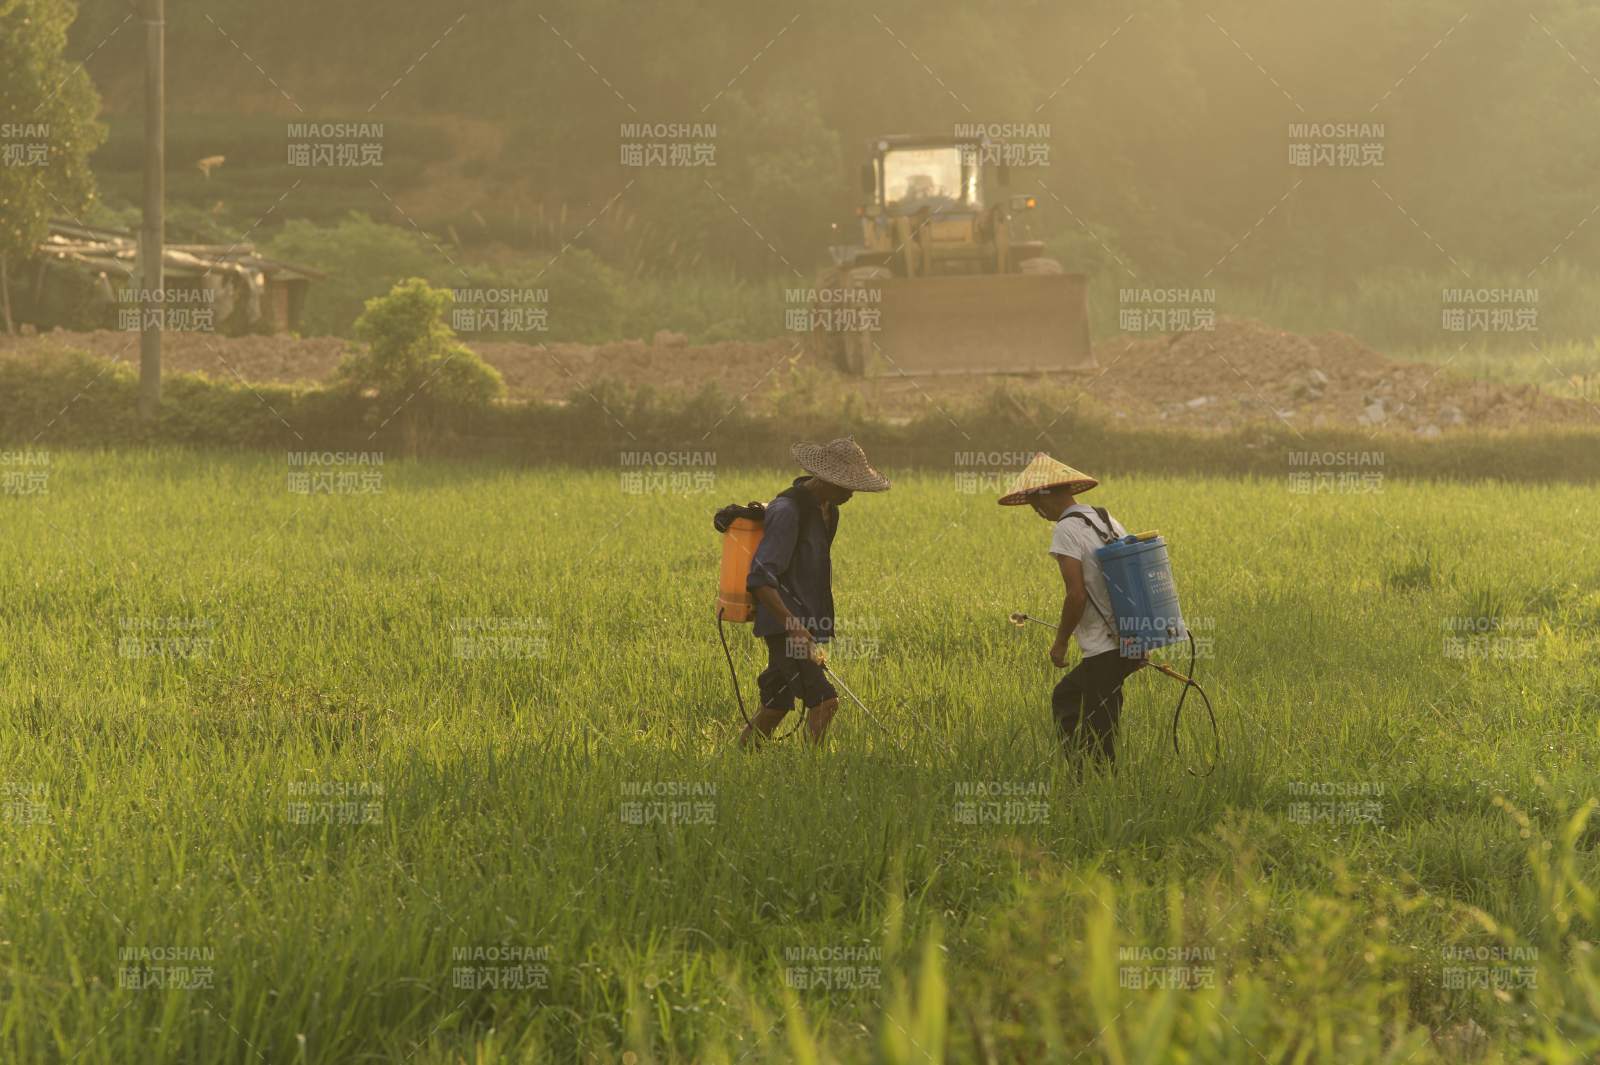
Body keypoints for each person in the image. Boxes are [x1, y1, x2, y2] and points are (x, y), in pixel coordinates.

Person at [739, 437, 890, 747]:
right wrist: (794, 626)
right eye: (845, 484)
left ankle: (737, 760)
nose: (851, 492)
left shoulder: (828, 511)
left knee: (776, 705)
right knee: (825, 702)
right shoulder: (788, 510)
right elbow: (760, 578)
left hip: (806, 623)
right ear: (823, 478)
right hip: (785, 625)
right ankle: (815, 776)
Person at [999, 453, 1144, 771]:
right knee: (1075, 699)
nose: (1038, 512)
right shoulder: (1106, 519)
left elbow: (1076, 595)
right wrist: (1139, 642)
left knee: (1093, 722)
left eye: (1035, 505)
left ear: (1043, 499)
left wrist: (1060, 642)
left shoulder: (1065, 529)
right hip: (1128, 636)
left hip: (1104, 645)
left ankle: (1090, 782)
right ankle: (1087, 776)